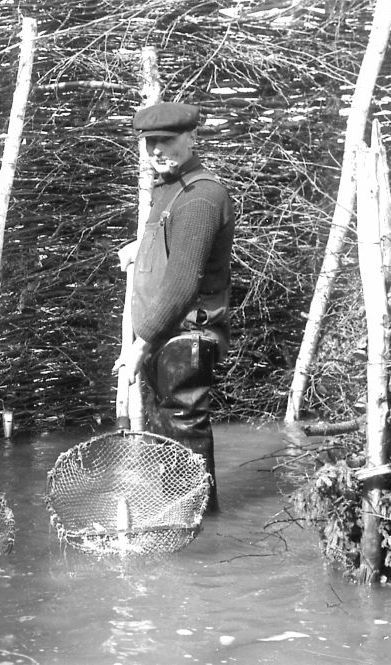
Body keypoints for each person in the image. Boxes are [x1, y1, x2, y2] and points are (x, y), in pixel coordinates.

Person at [112, 102, 235, 512]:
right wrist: (141, 246)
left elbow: (182, 284)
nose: (156, 151)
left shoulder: (201, 196)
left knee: (184, 434)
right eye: (149, 143)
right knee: (167, 442)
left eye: (166, 141)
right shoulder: (170, 189)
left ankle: (202, 532)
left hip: (186, 337)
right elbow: (174, 245)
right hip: (163, 334)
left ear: (192, 137)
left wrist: (138, 345)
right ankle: (179, 519)